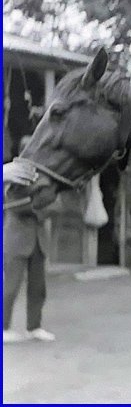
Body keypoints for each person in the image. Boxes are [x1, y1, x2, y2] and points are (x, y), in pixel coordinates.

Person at [3, 138, 57, 344]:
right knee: (10, 285)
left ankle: (34, 327)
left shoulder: (44, 177)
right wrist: (39, 207)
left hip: (38, 239)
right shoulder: (12, 177)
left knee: (38, 287)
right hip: (16, 238)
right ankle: (3, 327)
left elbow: (57, 205)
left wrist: (35, 207)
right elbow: (13, 205)